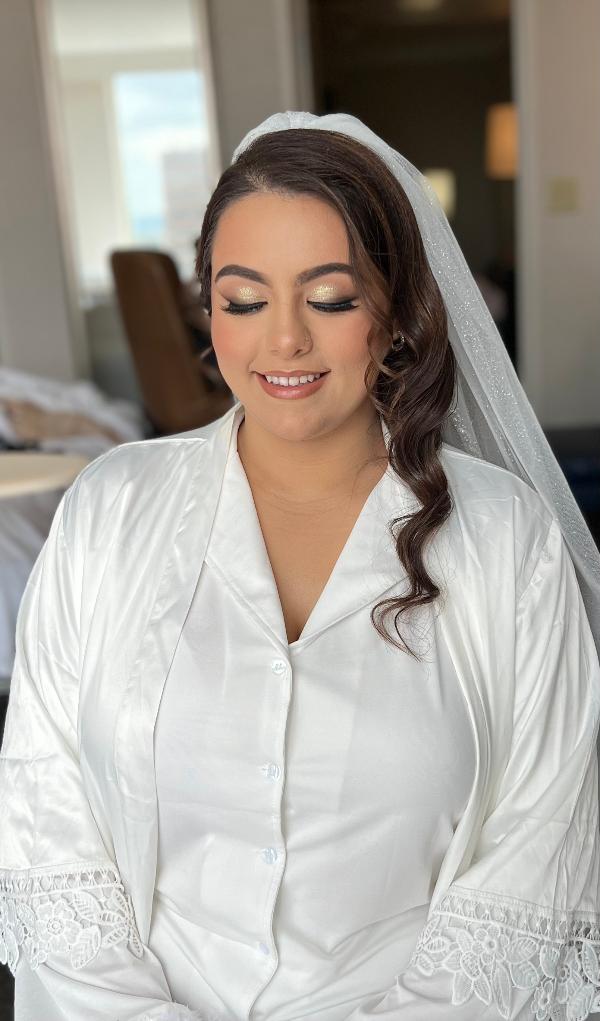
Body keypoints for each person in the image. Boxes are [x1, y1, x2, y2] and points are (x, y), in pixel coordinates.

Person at [1, 111, 599, 1021]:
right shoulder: (108, 511)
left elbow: (536, 849)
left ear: (397, 312)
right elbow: (46, 813)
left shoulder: (506, 538)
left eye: (330, 298)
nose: (284, 340)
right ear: (209, 312)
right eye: (243, 300)